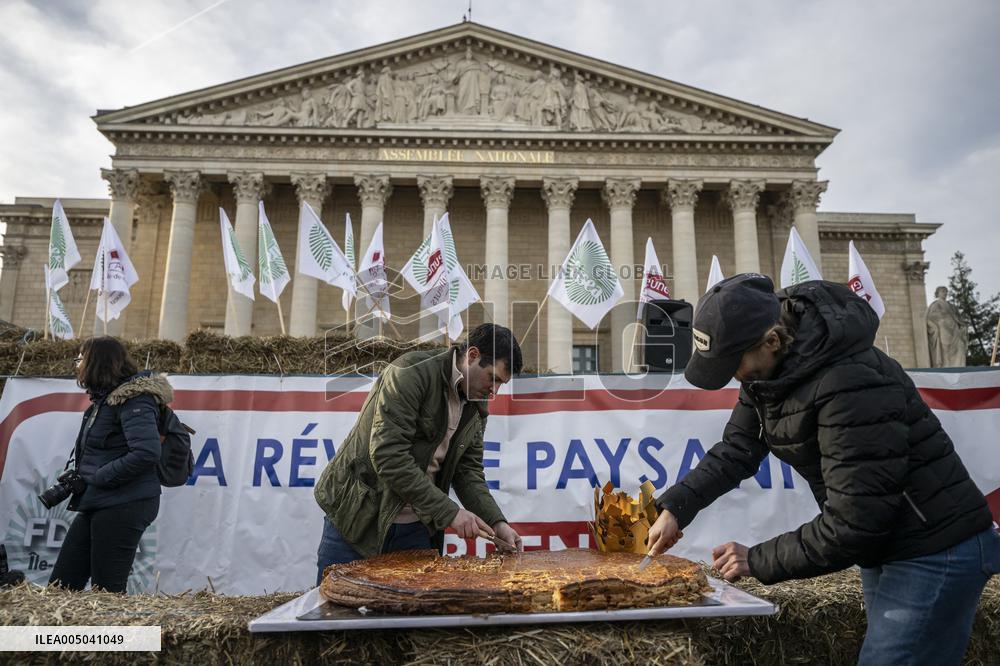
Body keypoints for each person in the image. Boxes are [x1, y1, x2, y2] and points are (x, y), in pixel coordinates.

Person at [646, 274, 999, 665]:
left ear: (772, 341)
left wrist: (756, 559)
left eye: (733, 363)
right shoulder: (766, 374)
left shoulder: (849, 382)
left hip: (936, 548)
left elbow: (854, 522)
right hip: (889, 545)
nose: (731, 375)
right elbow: (738, 448)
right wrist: (677, 508)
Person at [314, 323, 524, 584]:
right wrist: (450, 513)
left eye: (501, 383)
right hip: (359, 519)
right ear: (472, 356)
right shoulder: (409, 373)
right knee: (335, 611)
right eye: (492, 378)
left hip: (416, 528)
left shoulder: (477, 406)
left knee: (409, 618)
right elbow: (388, 456)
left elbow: (468, 472)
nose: (494, 392)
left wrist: (497, 523)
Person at [49, 337, 172, 593]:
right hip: (99, 499)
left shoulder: (134, 399)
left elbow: (147, 452)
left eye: (81, 359)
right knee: (61, 587)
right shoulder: (104, 400)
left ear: (97, 363)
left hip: (126, 503)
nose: (77, 365)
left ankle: (116, 635)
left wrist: (99, 476)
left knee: (106, 593)